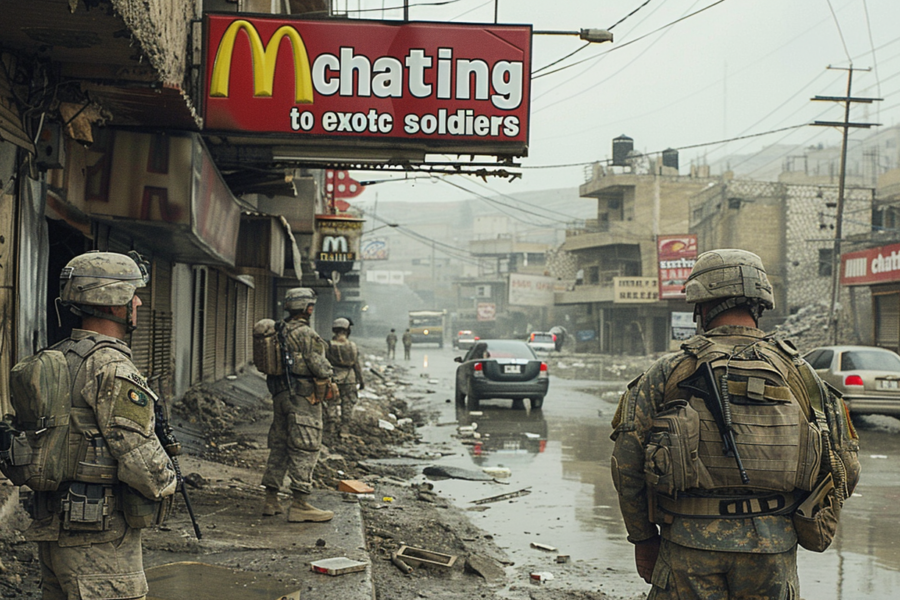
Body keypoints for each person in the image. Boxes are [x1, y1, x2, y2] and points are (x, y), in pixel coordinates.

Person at [610, 249, 860, 599]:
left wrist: (642, 538)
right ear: (760, 305)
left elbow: (627, 464)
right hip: (772, 548)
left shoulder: (668, 372)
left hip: (687, 546)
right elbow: (845, 465)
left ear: (702, 306)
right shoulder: (802, 374)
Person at [19, 251, 177, 600]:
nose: (137, 301)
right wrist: (168, 482)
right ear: (112, 300)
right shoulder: (113, 367)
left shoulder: (60, 356)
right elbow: (143, 462)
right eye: (131, 293)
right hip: (99, 542)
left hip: (55, 528)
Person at [261, 287, 335, 523]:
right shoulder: (307, 334)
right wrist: (329, 372)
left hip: (280, 395)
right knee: (305, 447)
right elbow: (320, 367)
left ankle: (271, 500)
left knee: (280, 446)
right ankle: (300, 504)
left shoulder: (279, 329)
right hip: (302, 399)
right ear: (308, 309)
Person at [324, 317, 365, 441]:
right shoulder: (353, 346)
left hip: (334, 376)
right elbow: (356, 365)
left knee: (331, 401)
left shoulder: (328, 345)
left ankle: (331, 427)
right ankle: (344, 430)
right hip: (350, 378)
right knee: (348, 403)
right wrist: (361, 380)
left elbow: (324, 363)